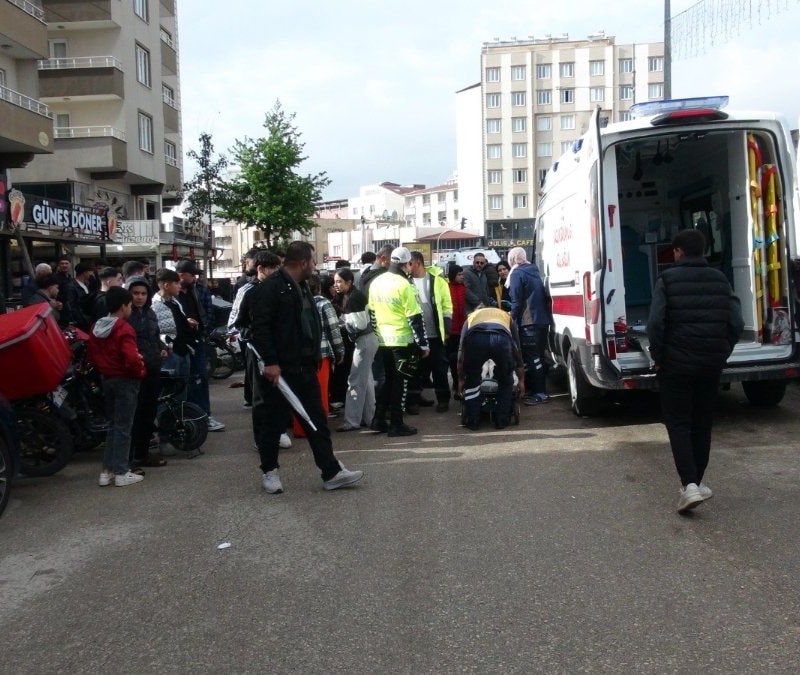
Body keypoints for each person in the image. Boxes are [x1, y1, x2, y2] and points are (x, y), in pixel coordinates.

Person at [247, 240, 363, 494]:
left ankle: (331, 472)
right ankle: (270, 472)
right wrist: (271, 362)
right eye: (312, 261)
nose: (315, 265)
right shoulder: (271, 288)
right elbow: (261, 328)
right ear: (302, 262)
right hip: (279, 372)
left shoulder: (301, 287)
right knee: (272, 423)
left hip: (304, 368)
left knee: (317, 421)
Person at [647, 228, 744, 514]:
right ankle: (697, 483)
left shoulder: (667, 279)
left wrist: (658, 355)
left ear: (677, 251)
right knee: (702, 423)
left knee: (678, 423)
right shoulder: (721, 279)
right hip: (711, 363)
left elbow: (655, 324)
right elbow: (735, 322)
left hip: (676, 364)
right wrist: (723, 349)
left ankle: (689, 484)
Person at [88, 286, 147, 487]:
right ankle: (121, 471)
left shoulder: (97, 326)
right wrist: (140, 371)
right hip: (125, 380)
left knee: (113, 426)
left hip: (107, 378)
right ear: (124, 306)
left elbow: (92, 356)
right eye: (130, 305)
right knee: (123, 427)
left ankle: (107, 470)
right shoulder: (123, 328)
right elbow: (131, 358)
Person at [368, 246, 430, 436]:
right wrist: (423, 344)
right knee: (400, 383)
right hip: (402, 341)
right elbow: (414, 318)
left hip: (383, 341)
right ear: (407, 264)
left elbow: (372, 314)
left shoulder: (376, 282)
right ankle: (396, 423)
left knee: (389, 380)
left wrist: (379, 335)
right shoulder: (405, 285)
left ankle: (378, 419)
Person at [292, 273, 345, 438]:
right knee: (320, 392)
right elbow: (333, 330)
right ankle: (318, 427)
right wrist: (340, 351)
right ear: (319, 287)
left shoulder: (293, 302)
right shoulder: (323, 303)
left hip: (297, 355)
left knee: (299, 392)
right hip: (320, 354)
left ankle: (300, 428)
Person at [175, 259, 225, 432]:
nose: (195, 278)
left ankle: (204, 415)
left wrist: (204, 332)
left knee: (201, 378)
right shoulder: (173, 294)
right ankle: (186, 418)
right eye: (192, 275)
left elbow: (208, 312)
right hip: (180, 344)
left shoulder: (200, 289)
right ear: (182, 276)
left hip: (198, 340)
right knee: (183, 381)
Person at [458, 305, 526, 431]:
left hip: (476, 339)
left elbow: (461, 352)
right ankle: (502, 420)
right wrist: (521, 381)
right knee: (506, 380)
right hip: (501, 339)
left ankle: (473, 421)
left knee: (472, 380)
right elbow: (517, 350)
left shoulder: (470, 318)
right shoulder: (506, 317)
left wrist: (461, 380)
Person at [126, 275, 168, 470]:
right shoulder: (126, 314)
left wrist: (161, 347)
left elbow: (154, 335)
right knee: (134, 415)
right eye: (135, 293)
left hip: (152, 368)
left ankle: (142, 454)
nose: (139, 297)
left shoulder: (150, 313)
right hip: (134, 371)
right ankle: (129, 458)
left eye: (143, 293)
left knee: (148, 414)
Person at [407, 250, 453, 413]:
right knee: (415, 369)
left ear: (417, 263)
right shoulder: (406, 281)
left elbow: (447, 306)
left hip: (435, 334)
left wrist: (447, 328)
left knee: (439, 368)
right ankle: (413, 400)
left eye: (409, 263)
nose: (406, 266)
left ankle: (443, 399)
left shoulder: (438, 281)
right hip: (414, 335)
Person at [333, 267, 378, 431]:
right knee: (364, 380)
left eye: (339, 281)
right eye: (335, 281)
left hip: (364, 340)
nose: (336, 285)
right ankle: (369, 417)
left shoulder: (354, 298)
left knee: (356, 380)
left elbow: (359, 324)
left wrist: (341, 324)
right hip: (367, 340)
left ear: (349, 282)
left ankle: (352, 421)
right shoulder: (351, 296)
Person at [507, 247, 551, 406]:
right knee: (538, 357)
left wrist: (510, 317)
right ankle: (537, 389)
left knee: (533, 359)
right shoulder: (533, 269)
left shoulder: (517, 273)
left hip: (528, 322)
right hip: (542, 321)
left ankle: (540, 393)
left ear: (512, 259)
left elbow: (517, 301)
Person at [447, 264, 467, 398]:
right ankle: (456, 383)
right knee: (453, 359)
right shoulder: (447, 288)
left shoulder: (463, 288)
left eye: (462, 274)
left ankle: (463, 383)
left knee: (463, 358)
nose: (461, 277)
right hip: (451, 331)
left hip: (463, 329)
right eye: (459, 274)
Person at [65, 262, 95, 331]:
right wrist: (82, 320)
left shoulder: (86, 284)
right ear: (85, 272)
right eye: (90, 272)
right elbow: (71, 306)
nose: (92, 274)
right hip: (80, 322)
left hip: (86, 319)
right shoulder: (71, 286)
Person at [54, 256, 73, 327]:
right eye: (62, 263)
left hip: (70, 312)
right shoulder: (55, 278)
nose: (64, 265)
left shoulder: (70, 278)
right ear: (59, 265)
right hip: (61, 311)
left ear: (70, 265)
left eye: (66, 263)